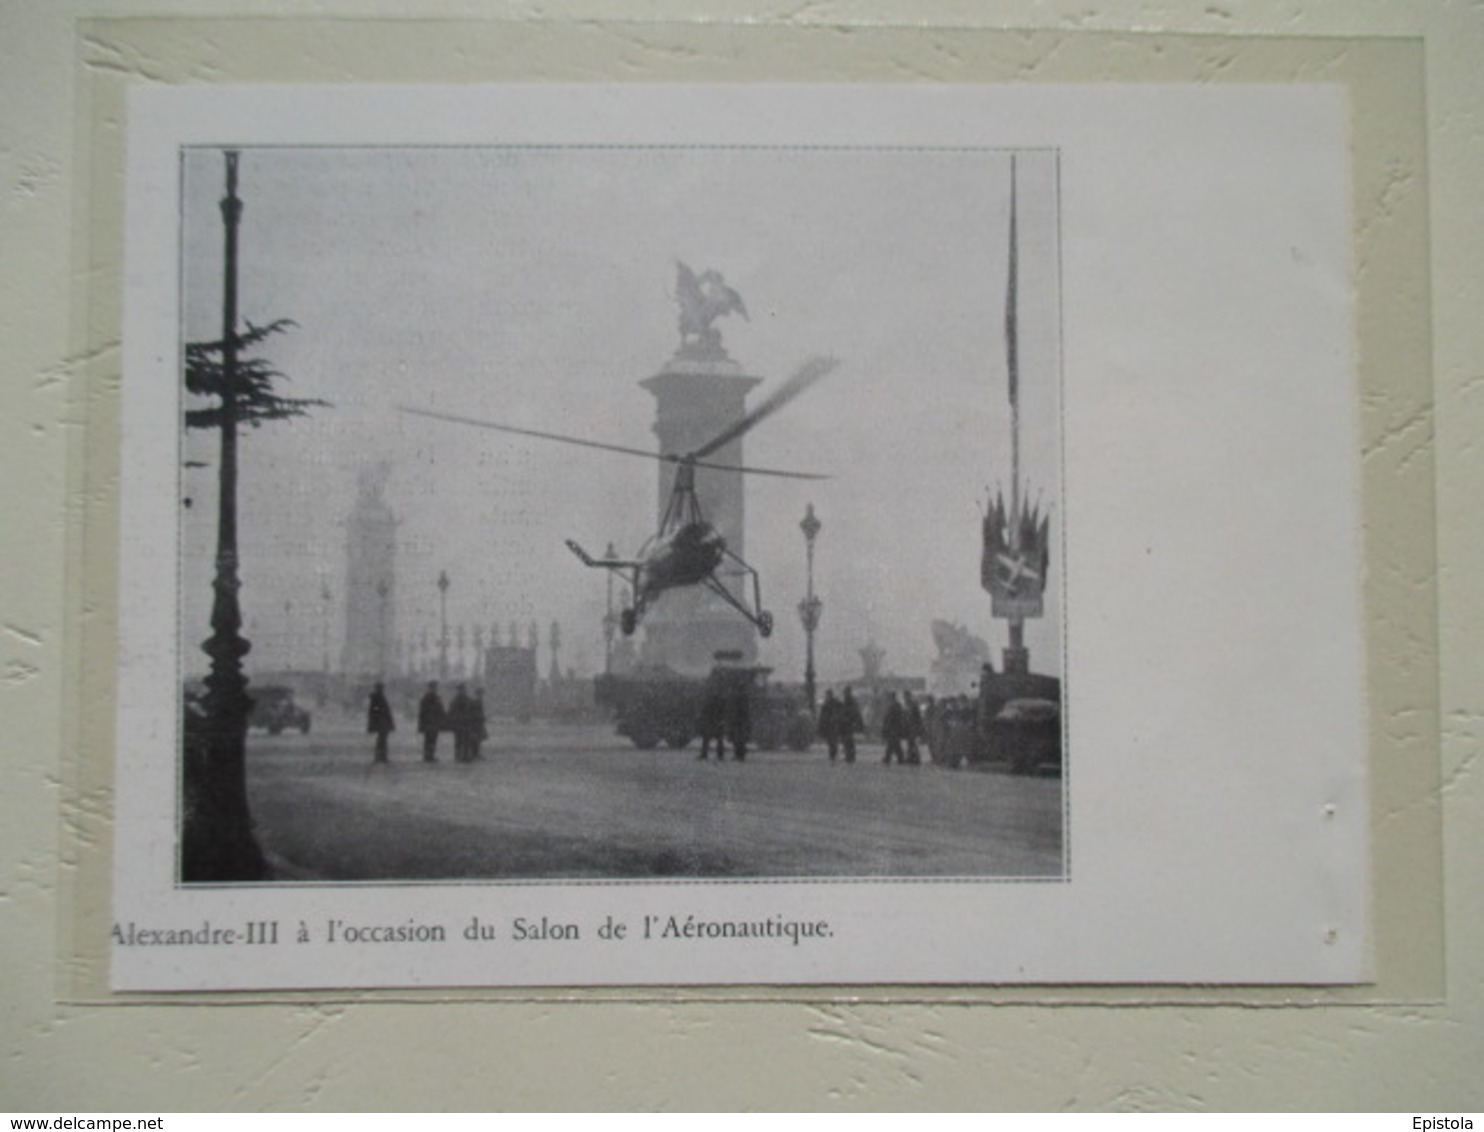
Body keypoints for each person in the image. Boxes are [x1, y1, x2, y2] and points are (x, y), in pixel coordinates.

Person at [697, 679, 727, 762]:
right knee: (719, 739)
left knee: (706, 738)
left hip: (711, 720)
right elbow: (722, 708)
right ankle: (719, 755)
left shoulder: (710, 698)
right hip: (717, 719)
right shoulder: (721, 697)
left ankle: (704, 754)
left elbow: (706, 709)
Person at [366, 681, 395, 763]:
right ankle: (381, 757)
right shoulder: (378, 697)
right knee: (382, 740)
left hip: (381, 722)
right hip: (381, 722)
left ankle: (381, 756)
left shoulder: (378, 697)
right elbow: (376, 711)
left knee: (382, 740)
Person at [417, 681, 445, 763]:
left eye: (435, 688)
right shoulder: (426, 698)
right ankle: (428, 756)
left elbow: (440, 710)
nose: (435, 689)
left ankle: (430, 755)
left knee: (433, 739)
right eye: (433, 688)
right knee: (429, 739)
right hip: (429, 723)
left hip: (434, 723)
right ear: (429, 688)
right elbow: (423, 712)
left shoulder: (436, 697)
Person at [448, 684, 474, 763]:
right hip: (459, 723)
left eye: (463, 689)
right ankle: (459, 756)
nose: (462, 691)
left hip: (466, 723)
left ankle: (465, 755)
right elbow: (451, 712)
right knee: (459, 740)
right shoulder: (456, 701)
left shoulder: (467, 700)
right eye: (460, 690)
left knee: (466, 740)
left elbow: (472, 711)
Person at [726, 680, 751, 762]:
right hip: (741, 721)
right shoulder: (745, 696)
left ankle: (738, 755)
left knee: (737, 739)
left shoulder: (737, 697)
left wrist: (732, 718)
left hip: (737, 721)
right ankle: (740, 755)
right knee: (740, 739)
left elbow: (735, 709)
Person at [881, 691, 907, 765]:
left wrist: (886, 727)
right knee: (895, 744)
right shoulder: (897, 705)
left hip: (893, 728)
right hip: (896, 728)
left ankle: (889, 758)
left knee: (892, 743)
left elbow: (889, 718)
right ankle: (898, 758)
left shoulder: (892, 706)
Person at [818, 688, 843, 761]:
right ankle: (832, 755)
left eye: (828, 695)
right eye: (827, 695)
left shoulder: (834, 703)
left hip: (833, 725)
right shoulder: (828, 704)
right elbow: (822, 716)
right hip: (829, 725)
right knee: (831, 741)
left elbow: (823, 716)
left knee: (833, 741)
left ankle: (833, 755)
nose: (827, 696)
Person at [840, 686, 864, 764]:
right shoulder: (850, 701)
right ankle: (849, 756)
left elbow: (851, 712)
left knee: (848, 740)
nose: (844, 694)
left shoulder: (849, 701)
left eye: (845, 692)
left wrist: (847, 719)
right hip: (848, 723)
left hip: (848, 723)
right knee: (848, 740)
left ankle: (850, 756)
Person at [903, 691, 924, 765]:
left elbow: (918, 717)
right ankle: (911, 757)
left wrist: (919, 727)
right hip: (909, 727)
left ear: (909, 696)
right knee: (910, 743)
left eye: (906, 696)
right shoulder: (907, 705)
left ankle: (916, 758)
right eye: (904, 696)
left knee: (913, 743)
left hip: (913, 727)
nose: (905, 698)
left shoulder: (913, 705)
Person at [469, 689, 488, 761]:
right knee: (476, 740)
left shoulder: (478, 702)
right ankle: (475, 754)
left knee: (477, 740)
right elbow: (475, 713)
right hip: (476, 724)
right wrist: (481, 717)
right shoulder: (476, 702)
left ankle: (476, 754)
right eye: (480, 694)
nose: (481, 696)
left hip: (478, 724)